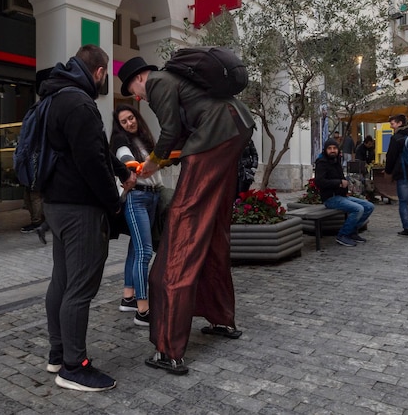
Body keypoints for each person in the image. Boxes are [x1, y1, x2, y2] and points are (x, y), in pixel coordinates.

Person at [119, 56, 255, 375]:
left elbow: (169, 132)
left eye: (133, 89)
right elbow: (179, 136)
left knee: (183, 227)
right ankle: (221, 317)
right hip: (235, 129)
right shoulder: (180, 82)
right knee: (215, 231)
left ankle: (169, 348)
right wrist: (164, 160)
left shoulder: (158, 81)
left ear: (141, 77)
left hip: (212, 140)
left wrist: (152, 164)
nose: (138, 97)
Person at [40, 45, 136, 391]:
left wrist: (120, 169)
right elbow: (90, 160)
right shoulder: (79, 103)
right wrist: (113, 202)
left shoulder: (53, 97)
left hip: (56, 204)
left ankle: (57, 353)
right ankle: (73, 366)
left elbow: (94, 150)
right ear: (99, 72)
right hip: (80, 209)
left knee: (62, 282)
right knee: (79, 288)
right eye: (105, 76)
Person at [110, 104, 163, 327]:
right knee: (144, 251)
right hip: (137, 198)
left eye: (131, 118)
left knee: (136, 247)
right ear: (119, 126)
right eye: (124, 121)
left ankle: (128, 297)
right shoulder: (121, 141)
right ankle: (142, 311)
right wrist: (132, 166)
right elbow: (126, 159)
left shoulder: (143, 139)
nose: (130, 123)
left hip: (152, 197)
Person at [315, 138, 374, 247]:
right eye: (329, 148)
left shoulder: (336, 160)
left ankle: (352, 231)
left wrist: (346, 185)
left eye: (334, 148)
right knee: (358, 209)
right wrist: (338, 183)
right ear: (325, 150)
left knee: (369, 206)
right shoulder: (322, 163)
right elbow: (320, 182)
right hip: (331, 198)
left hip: (341, 196)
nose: (332, 151)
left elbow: (341, 178)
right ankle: (343, 235)